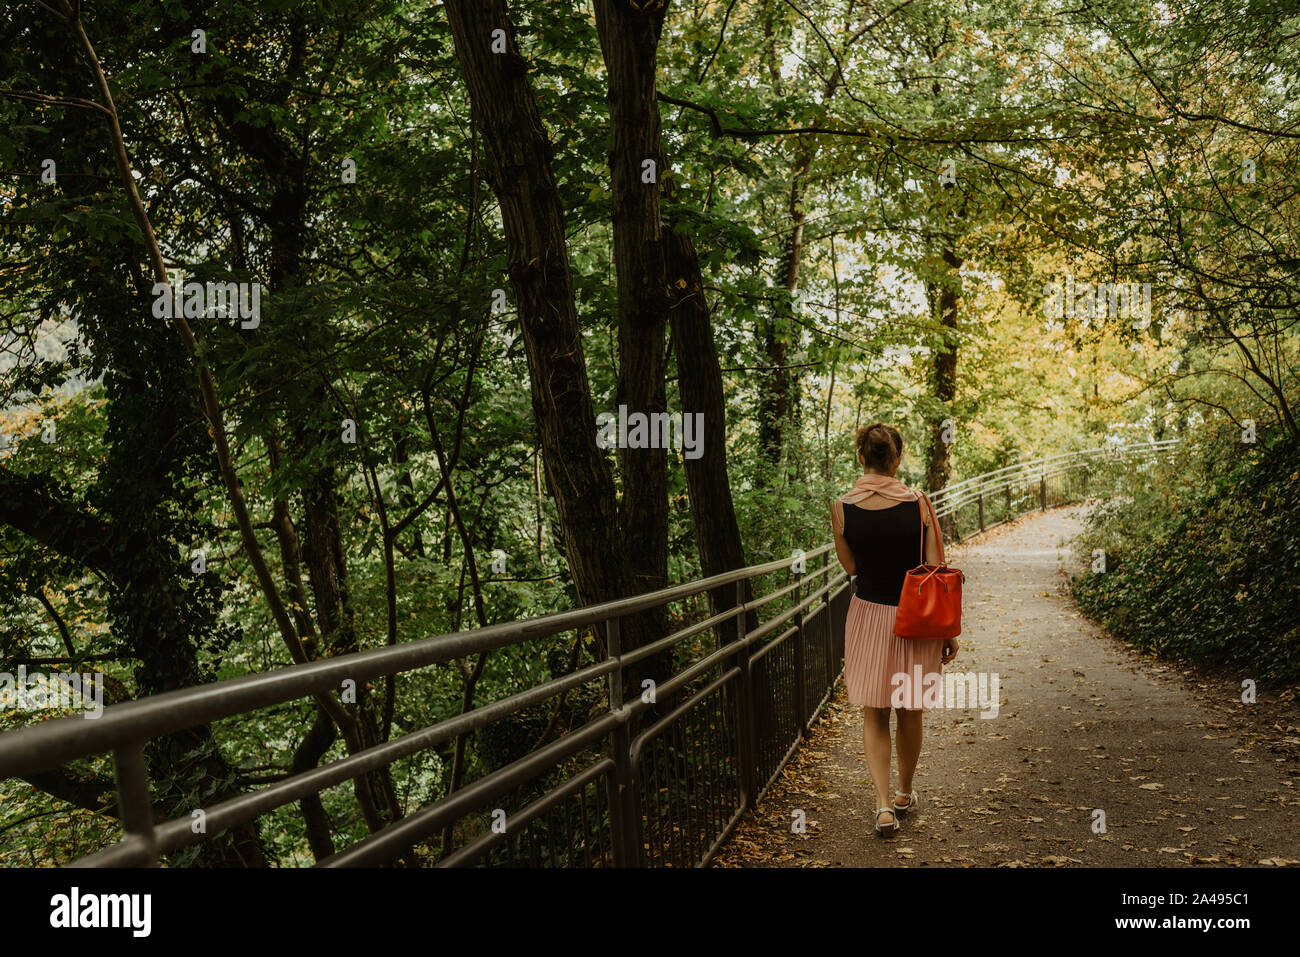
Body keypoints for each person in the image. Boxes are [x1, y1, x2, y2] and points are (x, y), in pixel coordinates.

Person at [831, 423, 959, 837]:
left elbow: (851, 568)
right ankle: (905, 791)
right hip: (916, 619)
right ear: (897, 459)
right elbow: (936, 566)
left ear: (860, 458)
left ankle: (883, 806)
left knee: (875, 711)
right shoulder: (919, 503)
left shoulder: (842, 508)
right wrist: (948, 631)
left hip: (869, 614)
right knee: (910, 707)